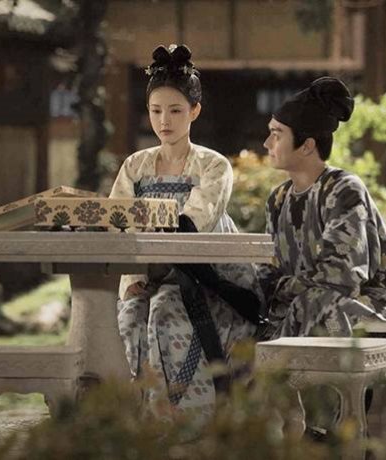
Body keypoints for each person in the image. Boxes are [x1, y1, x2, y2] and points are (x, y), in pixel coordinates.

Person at [109, 44, 263, 421]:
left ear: (194, 111)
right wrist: (133, 277)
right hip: (150, 272)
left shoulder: (213, 165)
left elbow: (194, 223)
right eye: (156, 110)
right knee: (128, 319)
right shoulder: (135, 166)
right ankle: (143, 420)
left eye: (176, 110)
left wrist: (160, 266)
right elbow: (118, 222)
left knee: (165, 313)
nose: (165, 120)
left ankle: (189, 422)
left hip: (208, 274)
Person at [257, 77, 386, 421]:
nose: (267, 142)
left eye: (277, 134)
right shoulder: (278, 199)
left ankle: (332, 426)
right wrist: (285, 288)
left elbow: (340, 276)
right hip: (308, 302)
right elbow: (267, 274)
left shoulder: (344, 189)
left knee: (323, 305)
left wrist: (287, 288)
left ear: (307, 145)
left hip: (369, 303)